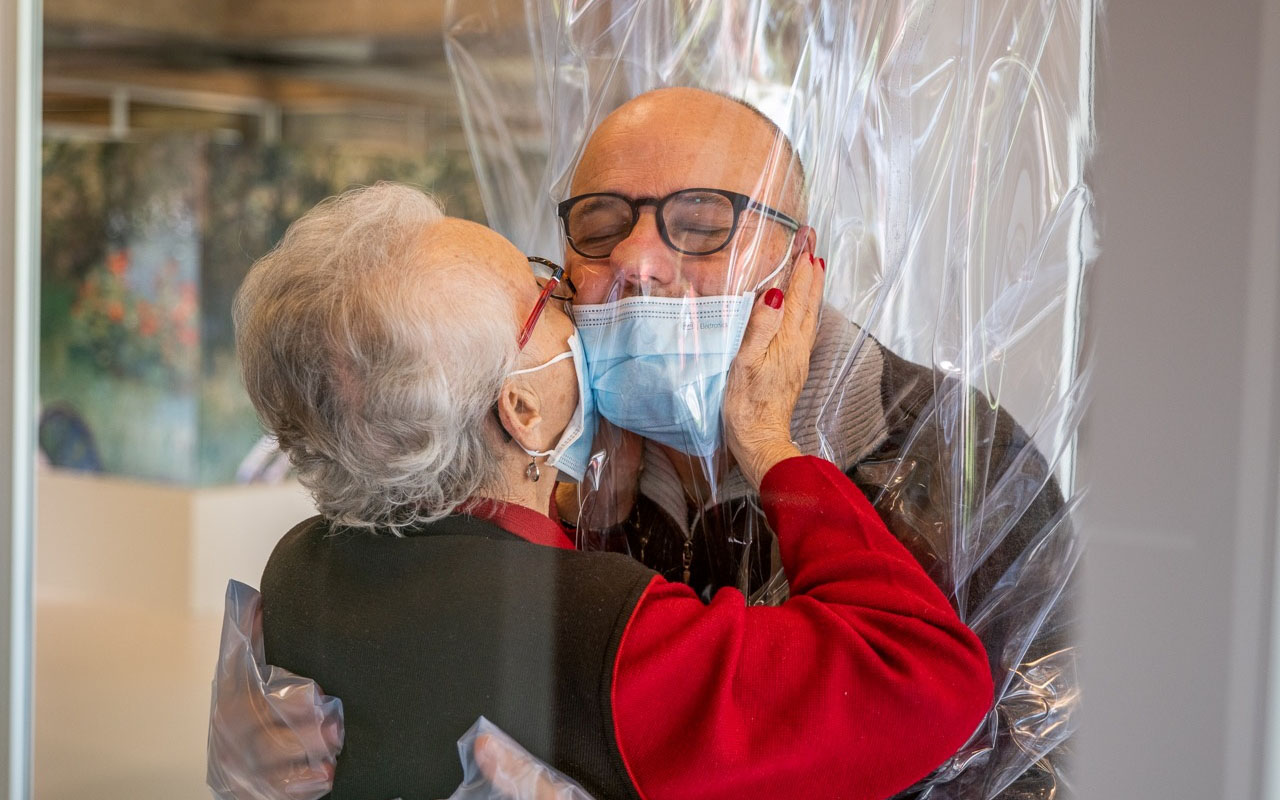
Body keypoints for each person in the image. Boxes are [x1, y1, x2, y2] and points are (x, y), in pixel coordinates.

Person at [223, 182, 992, 800]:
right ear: (522, 411)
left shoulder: (296, 569)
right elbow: (923, 678)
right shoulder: (590, 629)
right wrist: (768, 442)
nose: (584, 303)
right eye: (545, 295)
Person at [554, 88, 1074, 797]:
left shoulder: (952, 456)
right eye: (601, 223)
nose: (638, 260)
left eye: (702, 223)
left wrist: (773, 451)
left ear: (799, 261)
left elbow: (1045, 759)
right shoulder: (545, 471)